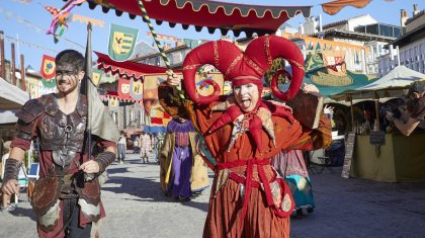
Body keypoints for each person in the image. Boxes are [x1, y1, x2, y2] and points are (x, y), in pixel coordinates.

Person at [159, 35, 331, 238]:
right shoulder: (216, 113)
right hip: (228, 196)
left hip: (265, 198)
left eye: (249, 86)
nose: (243, 93)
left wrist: (316, 104)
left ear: (258, 87)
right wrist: (172, 86)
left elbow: (320, 139)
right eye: (238, 87)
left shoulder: (277, 118)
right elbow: (180, 108)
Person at [1, 50, 118, 238]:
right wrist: (10, 176)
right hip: (49, 195)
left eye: (69, 72)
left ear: (81, 75)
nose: (63, 78)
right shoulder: (37, 107)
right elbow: (19, 144)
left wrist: (99, 163)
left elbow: (111, 148)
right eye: (60, 72)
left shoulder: (93, 109)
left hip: (85, 193)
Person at [159, 117, 209, 201]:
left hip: (188, 151)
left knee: (187, 173)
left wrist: (201, 149)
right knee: (176, 171)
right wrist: (164, 152)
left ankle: (185, 194)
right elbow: (167, 140)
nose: (181, 117)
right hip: (175, 150)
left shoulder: (193, 124)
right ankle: (176, 193)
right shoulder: (172, 124)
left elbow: (199, 138)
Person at [271, 150, 315, 217]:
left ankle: (301, 206)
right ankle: (304, 206)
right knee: (297, 180)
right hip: (289, 155)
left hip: (288, 154)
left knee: (296, 181)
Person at [1, 141, 15, 212]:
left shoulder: (5, 155)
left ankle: (7, 203)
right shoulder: (8, 156)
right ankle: (5, 205)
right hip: (7, 175)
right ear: (10, 148)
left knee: (8, 190)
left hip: (6, 175)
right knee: (6, 191)